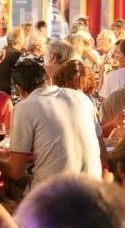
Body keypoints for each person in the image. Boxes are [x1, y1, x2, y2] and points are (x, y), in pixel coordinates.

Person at [5, 57, 103, 188]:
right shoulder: (81, 98)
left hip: (54, 197)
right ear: (49, 80)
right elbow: (103, 154)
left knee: (6, 188)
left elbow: (15, 172)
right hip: (93, 190)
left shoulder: (24, 107)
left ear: (19, 89)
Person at [0, 27, 27, 95]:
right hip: (7, 92)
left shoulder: (3, 50)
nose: (25, 39)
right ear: (18, 40)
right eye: (23, 37)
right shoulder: (16, 55)